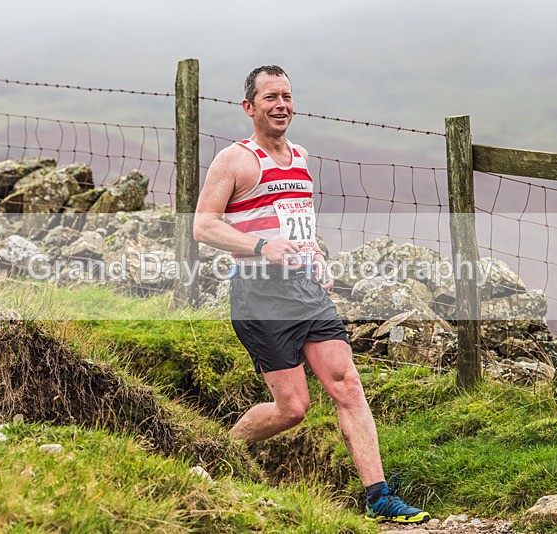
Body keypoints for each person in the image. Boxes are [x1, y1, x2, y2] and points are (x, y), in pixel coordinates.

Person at [193, 65, 430, 524]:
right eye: (270, 98)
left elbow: (298, 224)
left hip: (306, 290)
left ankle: (379, 497)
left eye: (286, 96)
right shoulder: (235, 160)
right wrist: (261, 247)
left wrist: (315, 254)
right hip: (259, 296)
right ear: (249, 107)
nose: (281, 105)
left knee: (347, 384)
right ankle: (217, 452)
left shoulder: (300, 156)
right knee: (293, 409)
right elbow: (203, 226)